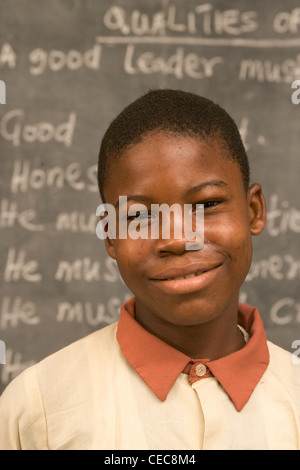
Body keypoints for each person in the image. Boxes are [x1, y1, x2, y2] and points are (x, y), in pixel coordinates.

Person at [0, 89, 299, 450]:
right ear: (109, 233)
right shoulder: (38, 411)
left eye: (206, 204)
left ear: (253, 211)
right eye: (139, 216)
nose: (176, 240)